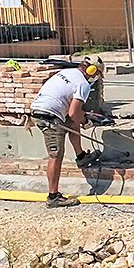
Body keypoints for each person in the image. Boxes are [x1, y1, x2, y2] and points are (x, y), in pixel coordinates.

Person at [30, 57, 103, 208]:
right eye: (98, 74)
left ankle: (81, 156)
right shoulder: (83, 84)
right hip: (49, 117)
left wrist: (83, 116)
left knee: (72, 123)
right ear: (92, 70)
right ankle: (53, 197)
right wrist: (85, 121)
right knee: (55, 156)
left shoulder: (67, 72)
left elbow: (72, 112)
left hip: (39, 111)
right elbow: (74, 113)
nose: (97, 78)